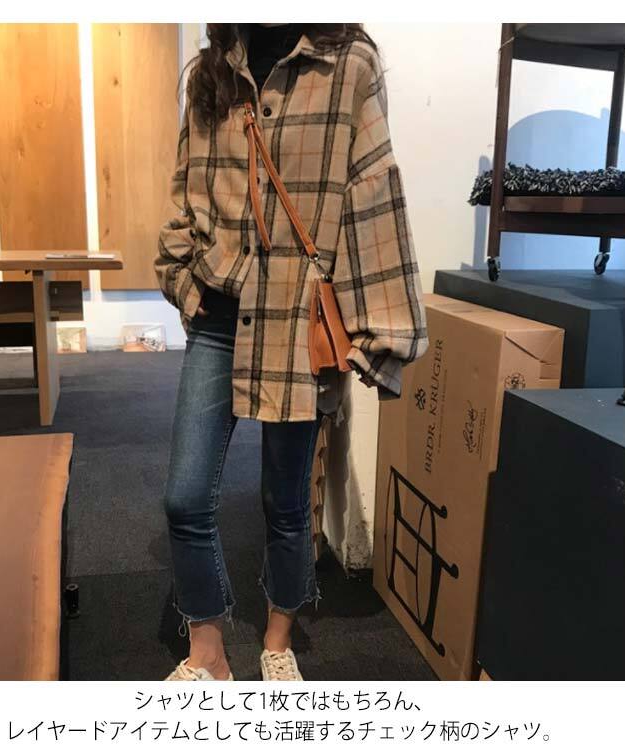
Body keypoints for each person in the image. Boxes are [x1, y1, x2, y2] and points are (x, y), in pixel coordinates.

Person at [155, 23, 427, 681]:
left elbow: (373, 193)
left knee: (285, 501)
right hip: (221, 315)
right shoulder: (209, 74)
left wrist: (376, 330)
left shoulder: (349, 65)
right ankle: (208, 655)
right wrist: (188, 282)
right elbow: (185, 192)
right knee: (185, 498)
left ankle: (278, 643)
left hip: (298, 320)